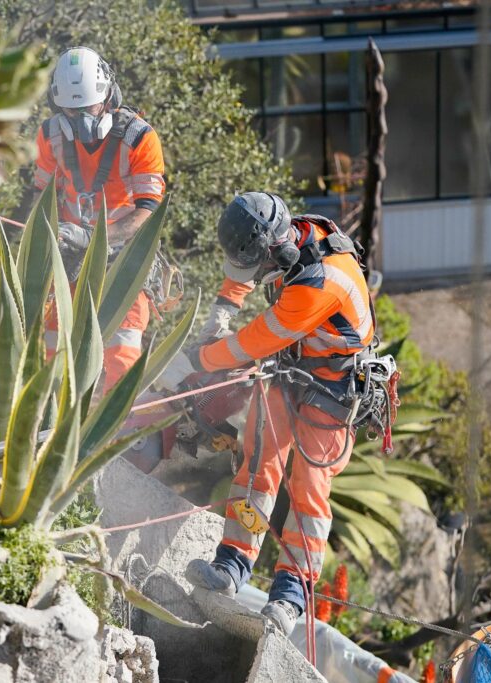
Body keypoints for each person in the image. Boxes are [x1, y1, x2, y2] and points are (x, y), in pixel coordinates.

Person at [157, 192, 376, 636]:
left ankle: (291, 594)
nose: (255, 274)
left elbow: (254, 342)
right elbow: (242, 276)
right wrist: (219, 314)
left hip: (332, 387)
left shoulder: (323, 281)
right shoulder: (281, 235)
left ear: (278, 250)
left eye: (259, 265)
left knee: (308, 492)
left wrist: (196, 361)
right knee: (256, 464)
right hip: (293, 367)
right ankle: (232, 563)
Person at [34, 46, 165, 391]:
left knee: (121, 355)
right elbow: (39, 198)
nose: (82, 121)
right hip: (69, 260)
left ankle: (123, 437)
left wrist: (91, 238)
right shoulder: (50, 136)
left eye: (89, 109)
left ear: (109, 97)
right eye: (71, 111)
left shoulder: (140, 138)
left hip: (125, 260)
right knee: (52, 350)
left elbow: (147, 215)